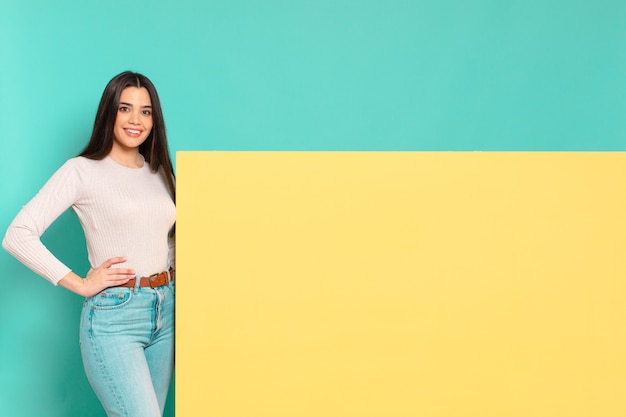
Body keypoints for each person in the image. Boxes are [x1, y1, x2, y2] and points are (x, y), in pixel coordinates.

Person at [3, 71, 176, 417]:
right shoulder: (82, 171)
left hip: (166, 312)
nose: (135, 119)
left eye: (145, 111)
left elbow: (166, 237)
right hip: (115, 316)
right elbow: (17, 234)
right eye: (125, 108)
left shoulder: (160, 172)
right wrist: (81, 283)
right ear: (108, 112)